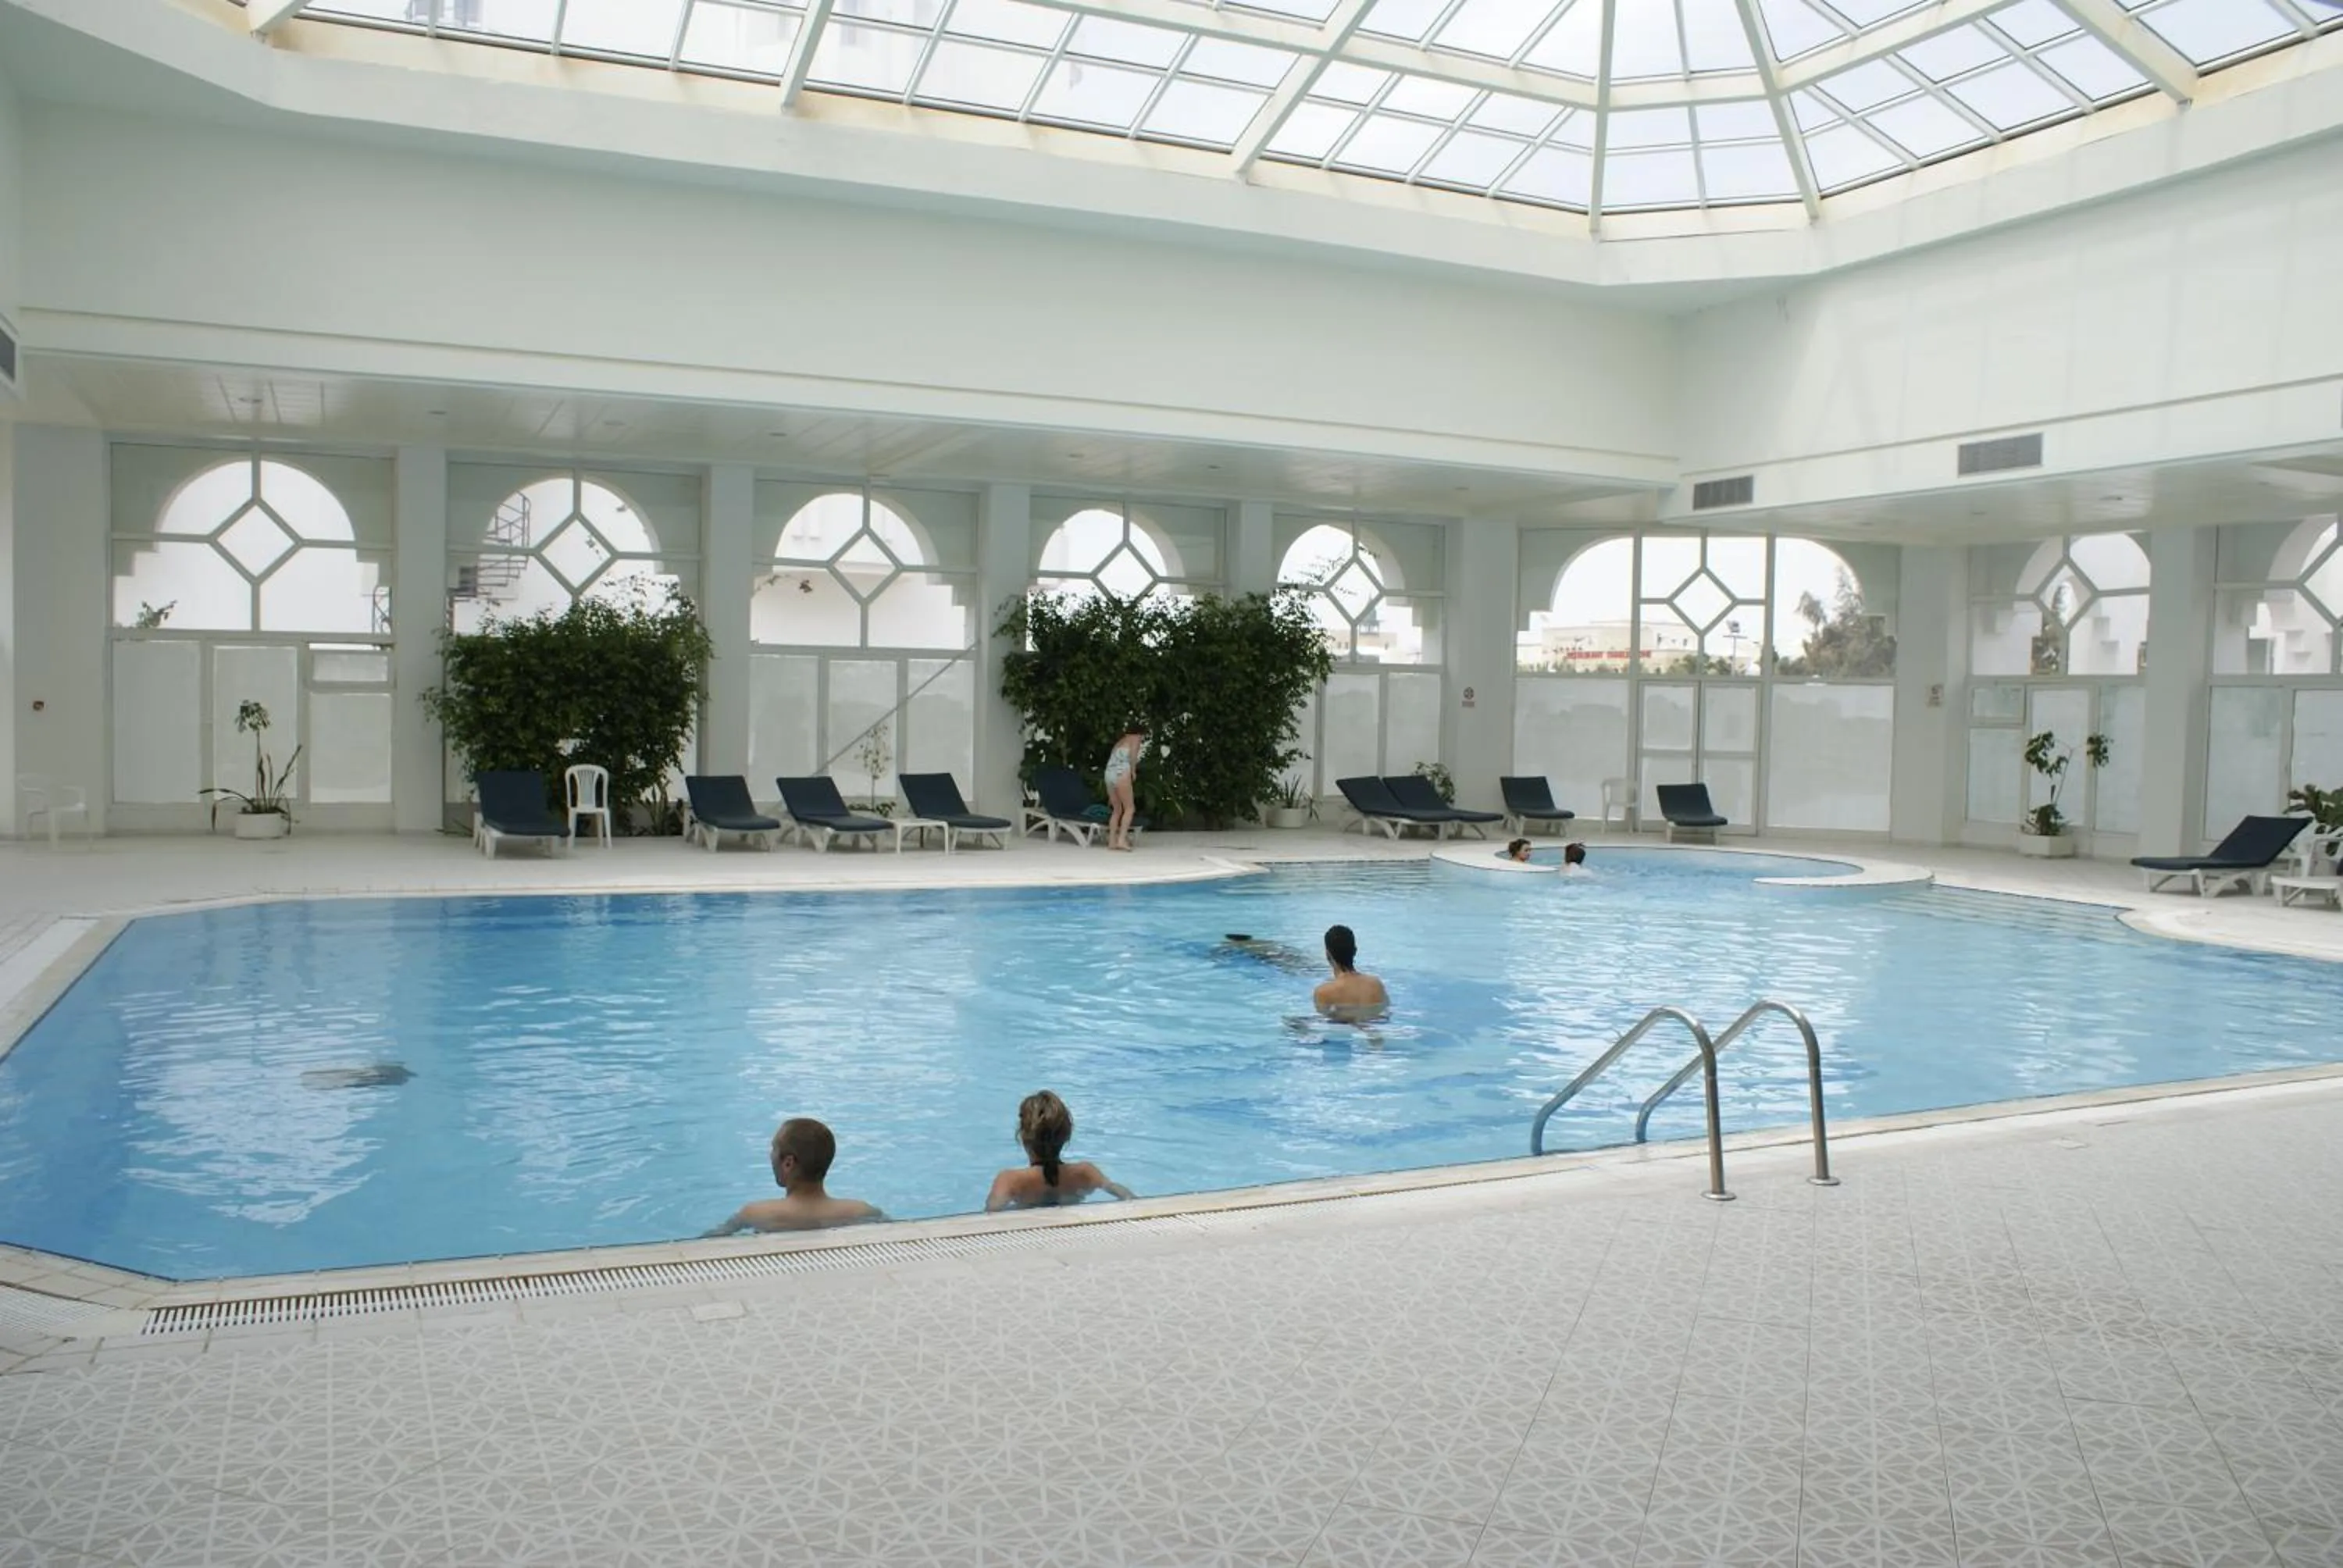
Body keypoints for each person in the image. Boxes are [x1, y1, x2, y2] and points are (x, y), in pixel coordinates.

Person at [705, 1117, 884, 1235]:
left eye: (774, 1148)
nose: (770, 1155)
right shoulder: (860, 1211)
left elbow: (706, 1242)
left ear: (788, 1163)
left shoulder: (757, 1214)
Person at [986, 1090, 1136, 1211]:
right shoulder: (1085, 1172)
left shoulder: (1010, 1180)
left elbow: (989, 1218)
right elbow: (1124, 1195)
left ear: (1023, 1136)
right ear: (1066, 1135)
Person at [1313, 924, 1389, 1021]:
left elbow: (1323, 1022)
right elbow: (1386, 1014)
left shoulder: (1324, 992)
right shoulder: (1376, 984)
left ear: (1328, 955)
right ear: (1355, 951)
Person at [1102, 725, 1147, 852]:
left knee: (1117, 809)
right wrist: (1133, 771)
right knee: (1130, 808)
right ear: (1140, 733)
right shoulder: (1135, 739)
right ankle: (1121, 840)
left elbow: (1111, 759)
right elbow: (1133, 755)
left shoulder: (1120, 741)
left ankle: (1112, 841)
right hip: (1122, 772)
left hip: (1109, 773)